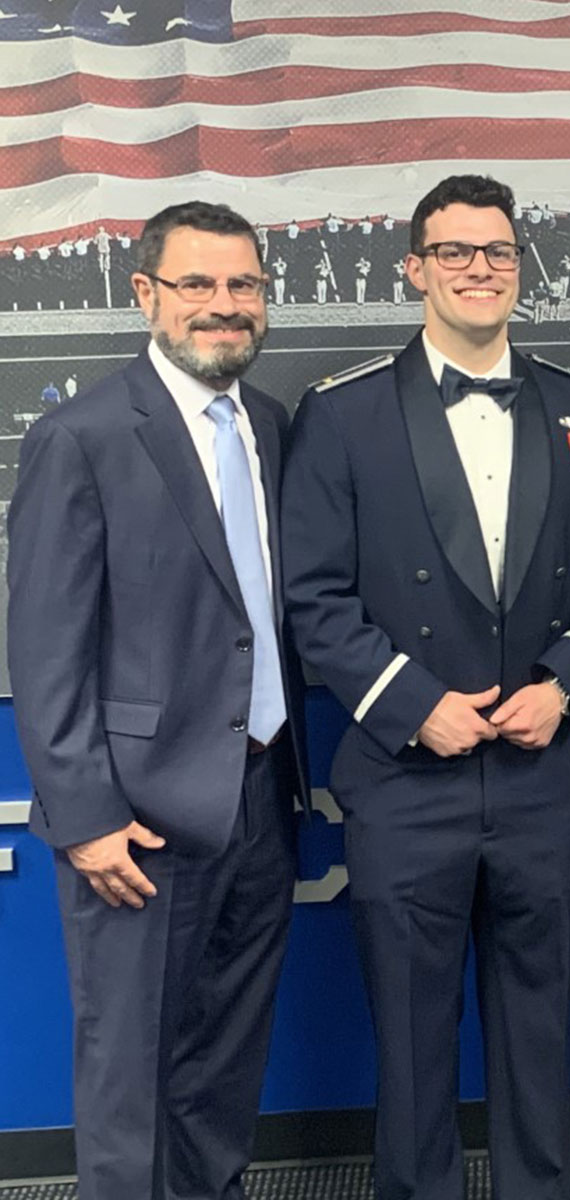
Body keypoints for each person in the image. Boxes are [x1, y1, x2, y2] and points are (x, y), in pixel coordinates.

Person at [280, 174, 570, 1200]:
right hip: (405, 780)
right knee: (409, 1045)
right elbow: (312, 596)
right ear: (415, 269)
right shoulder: (341, 416)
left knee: (540, 1044)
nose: (478, 269)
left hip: (540, 778)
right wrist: (413, 704)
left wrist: (566, 683)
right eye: (455, 252)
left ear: (518, 267)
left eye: (497, 252)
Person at [7, 200, 305, 1200]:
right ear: (146, 294)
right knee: (130, 1081)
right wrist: (86, 821)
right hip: (136, 825)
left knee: (222, 1073)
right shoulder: (80, 437)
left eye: (244, 286)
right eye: (199, 285)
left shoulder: (269, 424)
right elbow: (45, 651)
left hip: (262, 801)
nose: (225, 307)